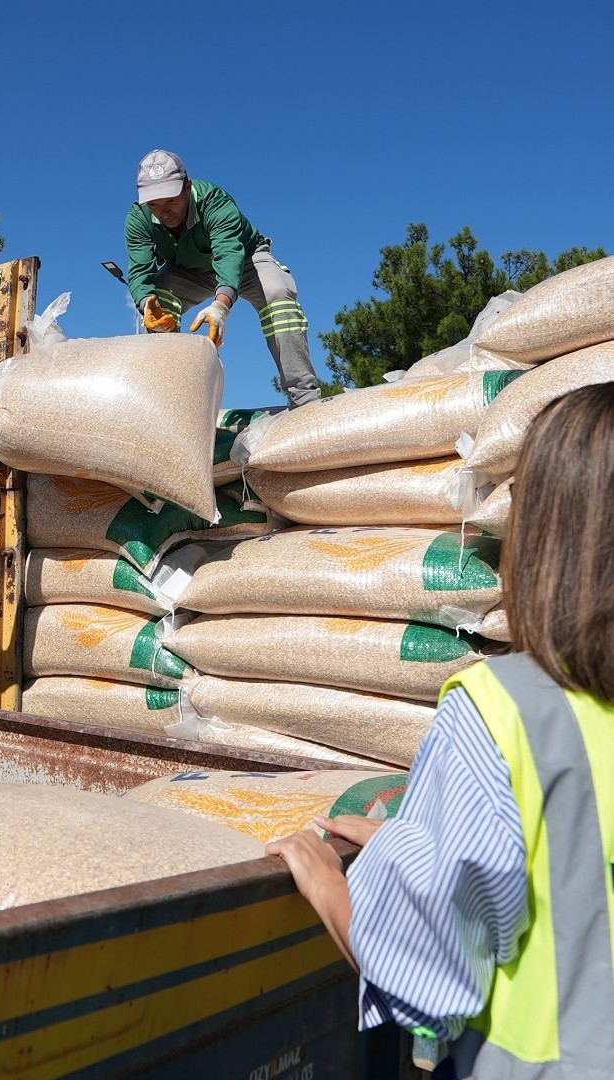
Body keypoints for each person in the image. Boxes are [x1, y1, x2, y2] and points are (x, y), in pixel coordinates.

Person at [267, 382, 614, 1078]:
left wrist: (334, 893)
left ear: (544, 531)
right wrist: (417, 845)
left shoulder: (505, 712)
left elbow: (429, 972)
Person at [125, 149, 322, 407]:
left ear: (187, 186)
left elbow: (229, 253)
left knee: (276, 294)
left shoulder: (215, 201)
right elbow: (141, 271)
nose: (164, 212)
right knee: (158, 302)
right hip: (187, 272)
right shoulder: (138, 218)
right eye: (154, 204)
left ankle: (305, 399)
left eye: (170, 201)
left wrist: (221, 306)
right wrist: (145, 302)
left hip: (247, 260)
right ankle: (167, 405)